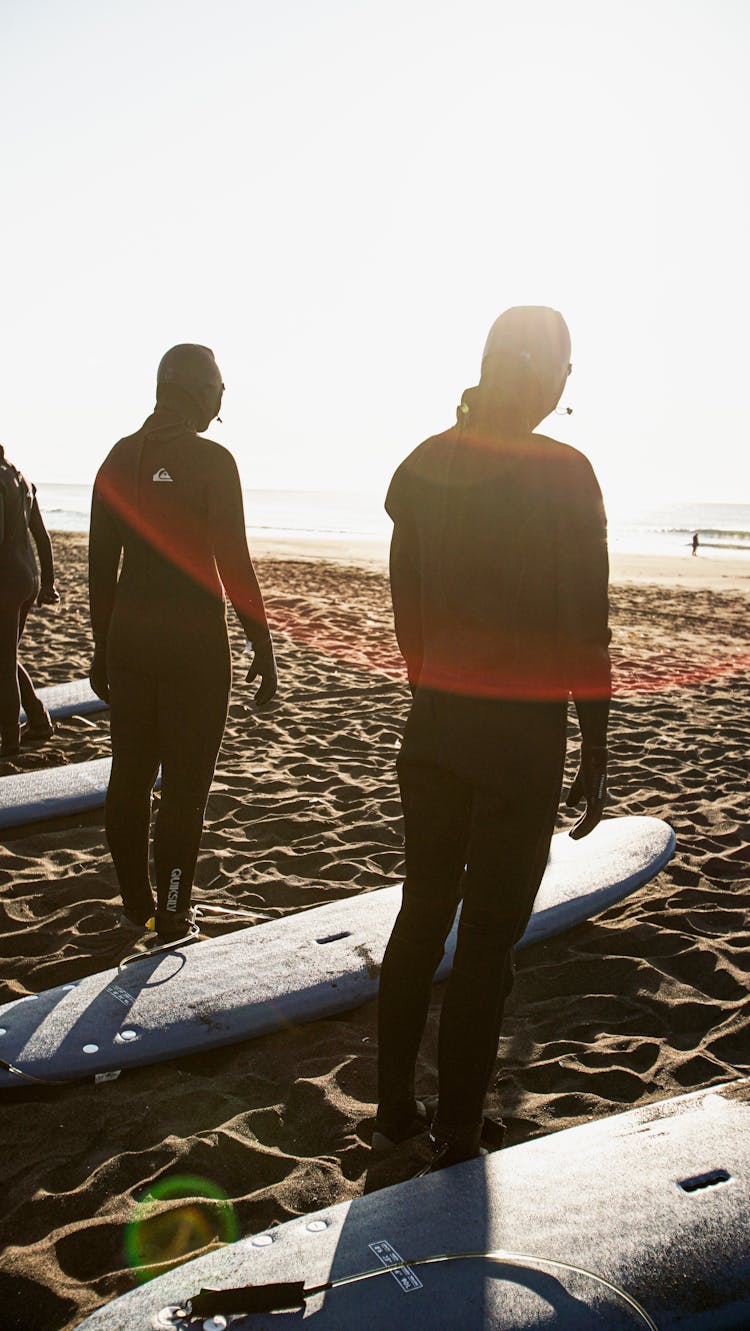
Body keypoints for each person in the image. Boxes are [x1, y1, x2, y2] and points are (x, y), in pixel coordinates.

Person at [375, 307, 611, 1169]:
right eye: (564, 368)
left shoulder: (423, 463)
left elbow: (406, 608)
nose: (565, 385)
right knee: (485, 943)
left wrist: (434, 686)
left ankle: (395, 1109)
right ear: (543, 375)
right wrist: (595, 742)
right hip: (520, 738)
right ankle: (459, 1129)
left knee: (422, 911)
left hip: (436, 723)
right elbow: (589, 625)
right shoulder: (566, 473)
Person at [88, 344, 278, 946]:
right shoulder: (213, 462)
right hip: (194, 642)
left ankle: (138, 907)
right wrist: (263, 645)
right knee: (186, 788)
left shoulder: (117, 460)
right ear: (198, 389)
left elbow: (100, 570)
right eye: (220, 388)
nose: (223, 401)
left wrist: (101, 648)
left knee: (132, 773)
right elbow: (234, 564)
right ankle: (172, 914)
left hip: (131, 638)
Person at [0, 445, 60, 758]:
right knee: (6, 655)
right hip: (28, 578)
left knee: (3, 662)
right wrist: (47, 582)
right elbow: (42, 535)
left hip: (5, 582)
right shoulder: (20, 476)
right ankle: (38, 719)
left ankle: (8, 741)